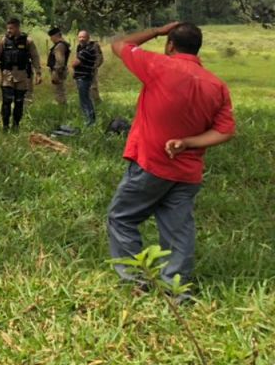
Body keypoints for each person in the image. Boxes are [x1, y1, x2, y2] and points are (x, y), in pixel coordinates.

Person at [107, 22, 235, 290]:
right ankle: (176, 290)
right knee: (178, 232)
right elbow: (224, 131)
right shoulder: (217, 85)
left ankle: (134, 283)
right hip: (188, 174)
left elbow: (119, 44)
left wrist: (155, 31)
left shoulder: (157, 65)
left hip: (151, 165)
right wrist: (188, 142)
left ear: (170, 45)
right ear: (198, 48)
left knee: (122, 218)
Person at [0, 17, 42, 130]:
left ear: (18, 27)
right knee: (7, 100)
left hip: (22, 75)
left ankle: (16, 125)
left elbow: (35, 57)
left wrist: (38, 73)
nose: (9, 30)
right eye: (8, 28)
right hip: (6, 74)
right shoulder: (2, 41)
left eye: (11, 28)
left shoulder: (28, 41)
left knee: (19, 102)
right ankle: (5, 126)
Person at [72, 29, 101, 126]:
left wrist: (73, 63)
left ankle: (90, 121)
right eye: (80, 37)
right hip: (83, 76)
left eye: (83, 37)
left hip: (83, 77)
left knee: (84, 100)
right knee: (86, 98)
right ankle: (90, 119)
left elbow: (75, 63)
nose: (81, 39)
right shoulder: (82, 48)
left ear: (88, 38)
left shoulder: (87, 50)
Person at [47, 27, 70, 108]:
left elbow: (60, 61)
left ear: (55, 36)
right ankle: (62, 105)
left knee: (59, 91)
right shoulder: (62, 44)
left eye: (51, 37)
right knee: (60, 90)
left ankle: (62, 106)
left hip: (57, 71)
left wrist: (55, 72)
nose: (51, 39)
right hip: (59, 70)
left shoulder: (59, 46)